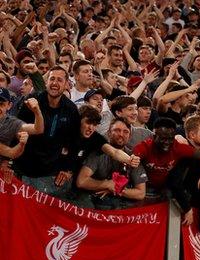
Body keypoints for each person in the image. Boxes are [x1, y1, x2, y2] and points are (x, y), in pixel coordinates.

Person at [14, 66, 80, 197]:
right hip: (24, 167)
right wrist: (6, 160)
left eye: (60, 80)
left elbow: (74, 142)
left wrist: (67, 169)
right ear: (46, 82)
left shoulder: (71, 109)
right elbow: (15, 128)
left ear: (67, 84)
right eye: (52, 79)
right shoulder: (32, 101)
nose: (55, 83)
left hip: (50, 173)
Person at [76, 118, 147, 209]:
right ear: (109, 133)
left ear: (130, 136)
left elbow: (141, 193)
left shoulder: (133, 157)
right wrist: (107, 184)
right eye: (117, 130)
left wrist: (115, 189)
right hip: (96, 200)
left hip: (121, 201)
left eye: (126, 132)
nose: (121, 134)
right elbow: (81, 182)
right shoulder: (98, 152)